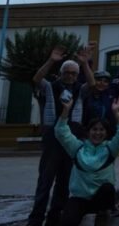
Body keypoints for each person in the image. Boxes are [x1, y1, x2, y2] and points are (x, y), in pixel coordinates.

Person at [28, 45, 95, 226]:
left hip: (72, 138)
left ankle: (54, 218)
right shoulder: (50, 87)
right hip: (52, 138)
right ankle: (35, 219)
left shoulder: (80, 90)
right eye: (67, 72)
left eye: (74, 73)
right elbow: (36, 79)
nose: (71, 76)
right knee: (45, 181)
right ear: (61, 72)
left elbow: (92, 84)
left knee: (64, 182)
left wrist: (85, 64)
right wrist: (51, 60)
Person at [56, 94, 119, 226]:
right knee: (67, 221)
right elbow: (61, 132)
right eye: (94, 129)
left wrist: (116, 112)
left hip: (101, 199)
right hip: (79, 199)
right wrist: (66, 110)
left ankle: (104, 213)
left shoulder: (110, 148)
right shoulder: (77, 148)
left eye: (102, 130)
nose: (97, 133)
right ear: (88, 132)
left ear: (106, 133)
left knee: (107, 188)